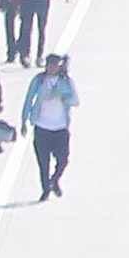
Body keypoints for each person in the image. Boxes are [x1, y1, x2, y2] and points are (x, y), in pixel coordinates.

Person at [25, 53, 78, 197]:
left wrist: (62, 95)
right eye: (50, 65)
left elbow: (75, 100)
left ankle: (54, 180)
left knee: (63, 159)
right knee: (43, 162)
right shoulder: (39, 80)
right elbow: (29, 98)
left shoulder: (66, 81)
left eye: (55, 65)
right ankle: (45, 189)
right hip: (42, 127)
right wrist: (24, 119)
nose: (52, 68)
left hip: (60, 127)